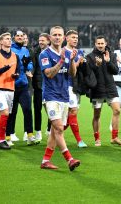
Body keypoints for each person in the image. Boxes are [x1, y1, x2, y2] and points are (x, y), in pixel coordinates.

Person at [39, 25, 80, 170]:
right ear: (50, 38)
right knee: (58, 128)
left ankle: (45, 161)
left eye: (59, 35)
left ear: (64, 38)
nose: (57, 37)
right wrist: (61, 61)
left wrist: (73, 61)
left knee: (55, 131)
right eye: (54, 35)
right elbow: (49, 73)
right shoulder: (45, 54)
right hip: (50, 96)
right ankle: (69, 159)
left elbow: (72, 74)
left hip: (64, 96)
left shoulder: (67, 53)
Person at [86, 35, 121, 147]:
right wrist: (96, 65)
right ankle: (97, 138)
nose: (100, 45)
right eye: (98, 43)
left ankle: (114, 137)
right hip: (97, 89)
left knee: (117, 110)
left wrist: (108, 62)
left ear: (105, 43)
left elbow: (116, 71)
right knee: (97, 115)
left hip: (110, 87)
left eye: (102, 43)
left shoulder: (112, 55)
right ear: (95, 44)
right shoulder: (90, 57)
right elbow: (88, 74)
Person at [5, 30, 36, 146]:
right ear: (14, 38)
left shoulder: (25, 50)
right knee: (11, 113)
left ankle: (29, 135)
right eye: (17, 36)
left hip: (23, 85)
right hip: (11, 85)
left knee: (28, 110)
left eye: (21, 36)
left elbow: (30, 64)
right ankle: (8, 137)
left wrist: (28, 66)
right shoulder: (9, 49)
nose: (19, 37)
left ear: (24, 38)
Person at [64, 30, 87, 148]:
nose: (75, 39)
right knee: (70, 112)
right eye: (73, 37)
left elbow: (80, 71)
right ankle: (79, 140)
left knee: (71, 112)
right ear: (67, 39)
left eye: (77, 37)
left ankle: (56, 133)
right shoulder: (63, 52)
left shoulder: (79, 52)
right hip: (63, 86)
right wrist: (77, 62)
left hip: (74, 86)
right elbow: (69, 70)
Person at [32, 33, 50, 141]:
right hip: (38, 86)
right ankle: (38, 132)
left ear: (48, 41)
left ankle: (49, 130)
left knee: (50, 109)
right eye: (40, 40)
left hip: (49, 86)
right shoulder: (35, 52)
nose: (40, 42)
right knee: (37, 109)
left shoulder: (52, 52)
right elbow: (33, 67)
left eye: (43, 40)